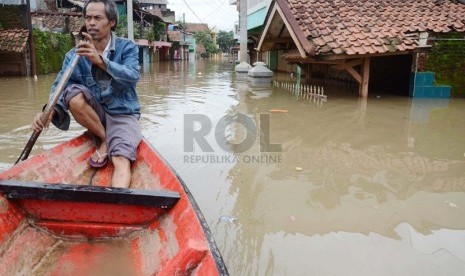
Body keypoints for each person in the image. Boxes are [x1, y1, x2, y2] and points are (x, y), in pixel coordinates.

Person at [32, 0, 142, 189]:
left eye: (98, 18)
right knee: (72, 94)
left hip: (123, 113)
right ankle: (106, 139)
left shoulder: (127, 47)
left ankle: (115, 206)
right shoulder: (74, 55)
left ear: (112, 22)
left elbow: (132, 76)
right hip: (95, 114)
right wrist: (49, 111)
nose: (91, 23)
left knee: (121, 159)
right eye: (88, 18)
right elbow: (60, 86)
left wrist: (100, 61)